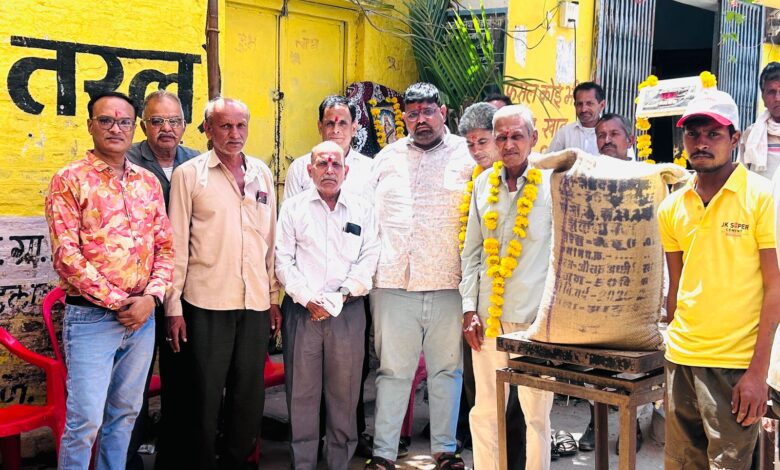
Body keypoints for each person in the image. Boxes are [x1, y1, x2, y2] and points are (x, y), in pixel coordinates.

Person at [45, 91, 174, 469]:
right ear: (90, 126)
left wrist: (150, 299)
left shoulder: (147, 182)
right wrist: (121, 303)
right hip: (91, 318)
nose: (115, 128)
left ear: (134, 128)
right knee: (85, 421)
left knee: (125, 415)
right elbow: (66, 256)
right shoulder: (69, 180)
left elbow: (166, 248)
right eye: (106, 120)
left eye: (123, 122)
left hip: (143, 317)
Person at [658, 88, 780, 469]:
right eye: (693, 133)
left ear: (735, 138)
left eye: (714, 133)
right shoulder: (671, 206)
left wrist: (758, 373)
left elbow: (775, 288)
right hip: (681, 360)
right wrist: (670, 351)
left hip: (735, 366)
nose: (702, 143)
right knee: (681, 464)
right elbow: (675, 289)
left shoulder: (761, 197)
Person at [165, 97, 282, 469]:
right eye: (225, 126)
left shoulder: (262, 174)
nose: (234, 134)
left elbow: (270, 241)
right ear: (208, 130)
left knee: (248, 397)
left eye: (240, 125)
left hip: (255, 304)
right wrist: (172, 307)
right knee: (203, 397)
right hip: (206, 304)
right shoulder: (189, 175)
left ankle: (238, 462)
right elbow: (175, 244)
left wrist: (273, 297)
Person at [366, 82, 473, 470]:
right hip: (394, 282)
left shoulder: (467, 156)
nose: (421, 120)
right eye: (412, 114)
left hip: (448, 282)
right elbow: (367, 217)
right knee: (393, 372)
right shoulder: (386, 159)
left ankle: (445, 450)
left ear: (443, 113)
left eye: (428, 111)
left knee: (447, 370)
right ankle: (383, 454)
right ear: (404, 118)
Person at [460, 104, 555, 470]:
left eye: (517, 135)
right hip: (487, 319)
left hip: (534, 321)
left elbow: (561, 255)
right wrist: (469, 309)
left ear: (534, 138)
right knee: (485, 411)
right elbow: (471, 253)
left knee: (535, 416)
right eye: (501, 137)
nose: (509, 144)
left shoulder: (552, 182)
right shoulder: (483, 183)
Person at [275, 140, 380, 469]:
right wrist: (307, 298)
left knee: (344, 393)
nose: (329, 170)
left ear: (346, 170)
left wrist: (343, 294)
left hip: (348, 312)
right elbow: (282, 259)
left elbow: (369, 256)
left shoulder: (362, 209)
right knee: (302, 393)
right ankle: (303, 462)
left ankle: (339, 461)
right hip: (302, 312)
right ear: (310, 170)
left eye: (336, 164)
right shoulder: (293, 209)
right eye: (322, 164)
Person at [124, 90, 199, 470]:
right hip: (137, 293)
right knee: (131, 386)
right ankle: (128, 459)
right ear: (143, 125)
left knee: (182, 377)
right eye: (157, 121)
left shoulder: (197, 162)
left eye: (173, 121)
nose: (166, 128)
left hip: (182, 290)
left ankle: (174, 456)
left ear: (184, 125)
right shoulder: (126, 161)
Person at [284, 95, 373, 200]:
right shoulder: (300, 168)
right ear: (320, 127)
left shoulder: (370, 169)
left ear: (353, 129)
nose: (335, 130)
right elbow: (290, 209)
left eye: (342, 123)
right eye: (330, 124)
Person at [739, 62, 780, 179]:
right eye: (771, 92)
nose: (777, 98)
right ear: (763, 97)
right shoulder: (751, 134)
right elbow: (742, 175)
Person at [547, 82, 606, 155]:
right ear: (575, 105)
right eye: (579, 104)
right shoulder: (565, 133)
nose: (584, 109)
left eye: (589, 104)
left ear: (602, 105)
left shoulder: (610, 135)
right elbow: (548, 159)